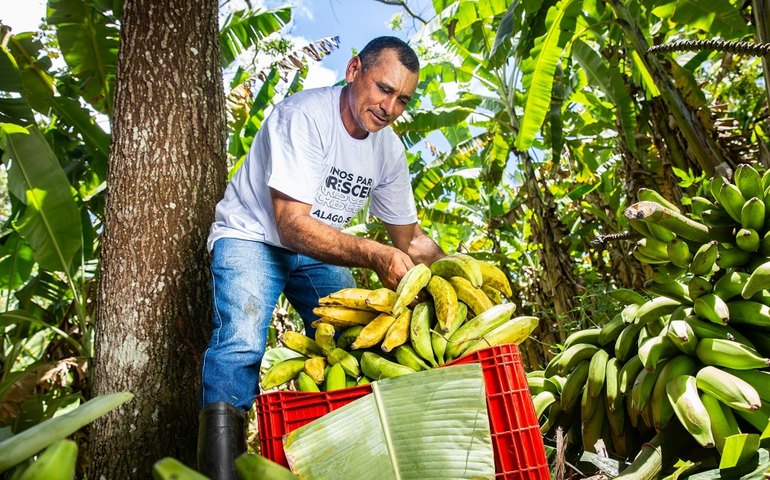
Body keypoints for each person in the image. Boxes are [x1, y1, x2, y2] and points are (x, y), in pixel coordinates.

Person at [196, 36, 445, 479]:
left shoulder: (388, 151)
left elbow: (410, 239)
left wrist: (454, 272)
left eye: (402, 99)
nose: (390, 107)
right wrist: (373, 253)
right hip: (253, 236)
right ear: (354, 71)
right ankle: (219, 474)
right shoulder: (304, 116)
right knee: (241, 344)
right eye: (384, 89)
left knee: (356, 345)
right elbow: (291, 223)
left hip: (316, 251)